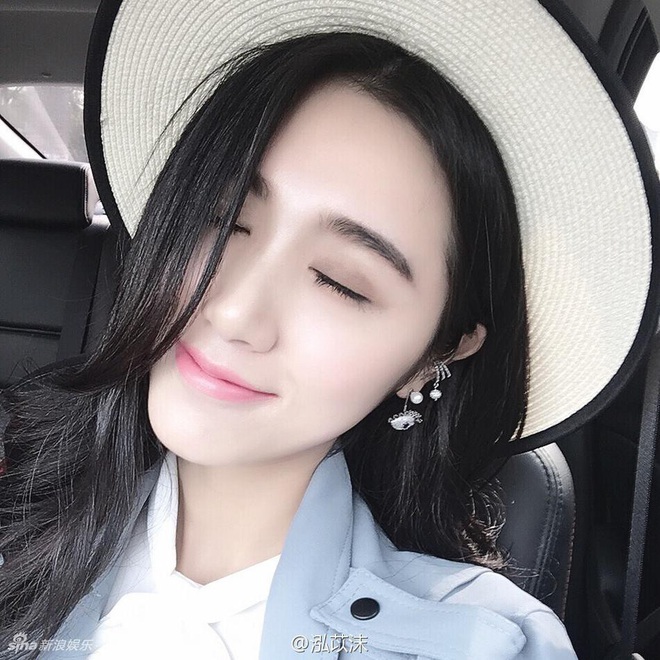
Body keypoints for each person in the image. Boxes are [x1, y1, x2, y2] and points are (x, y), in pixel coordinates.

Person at [0, 0, 656, 658]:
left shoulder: (488, 643)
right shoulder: (17, 502)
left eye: (341, 282)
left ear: (434, 354)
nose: (234, 312)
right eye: (222, 220)